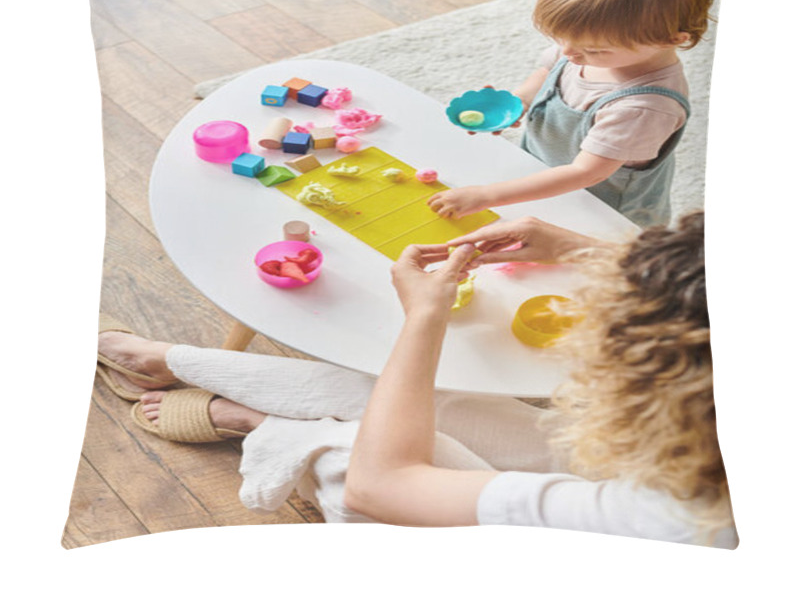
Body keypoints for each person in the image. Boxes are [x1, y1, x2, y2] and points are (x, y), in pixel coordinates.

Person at [96, 211, 736, 547]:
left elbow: (388, 488)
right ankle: (172, 360)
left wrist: (424, 315)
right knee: (431, 404)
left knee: (373, 460)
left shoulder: (670, 522)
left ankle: (269, 428)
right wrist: (574, 245)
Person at [428, 0, 714, 228]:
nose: (568, 53)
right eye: (559, 38)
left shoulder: (645, 108)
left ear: (672, 39)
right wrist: (518, 102)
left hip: (602, 209)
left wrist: (486, 195)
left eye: (595, 50)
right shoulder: (578, 48)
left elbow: (584, 173)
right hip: (547, 171)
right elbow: (547, 71)